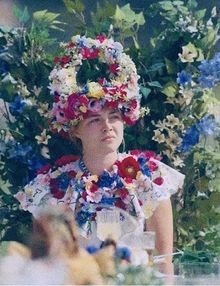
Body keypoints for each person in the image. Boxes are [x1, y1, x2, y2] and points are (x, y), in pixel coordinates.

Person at [15, 35, 185, 276]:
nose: (108, 126)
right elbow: (45, 267)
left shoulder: (150, 179)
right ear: (75, 130)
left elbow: (163, 262)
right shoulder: (53, 188)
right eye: (95, 120)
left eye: (114, 116)